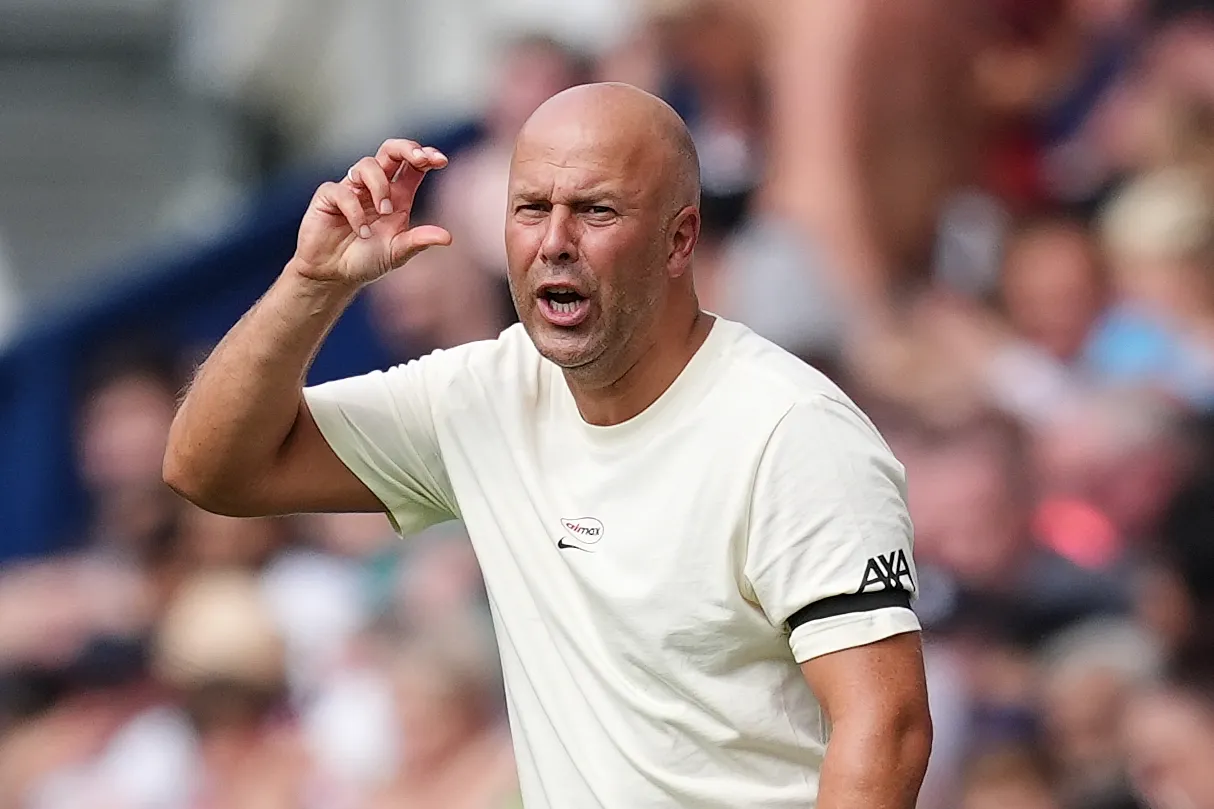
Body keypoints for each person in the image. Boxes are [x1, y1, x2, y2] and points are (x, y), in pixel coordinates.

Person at [164, 82, 932, 808]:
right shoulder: (482, 393)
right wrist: (313, 280)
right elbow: (209, 467)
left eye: (596, 210)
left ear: (679, 239)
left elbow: (886, 727)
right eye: (531, 208)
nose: (555, 241)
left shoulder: (793, 429)